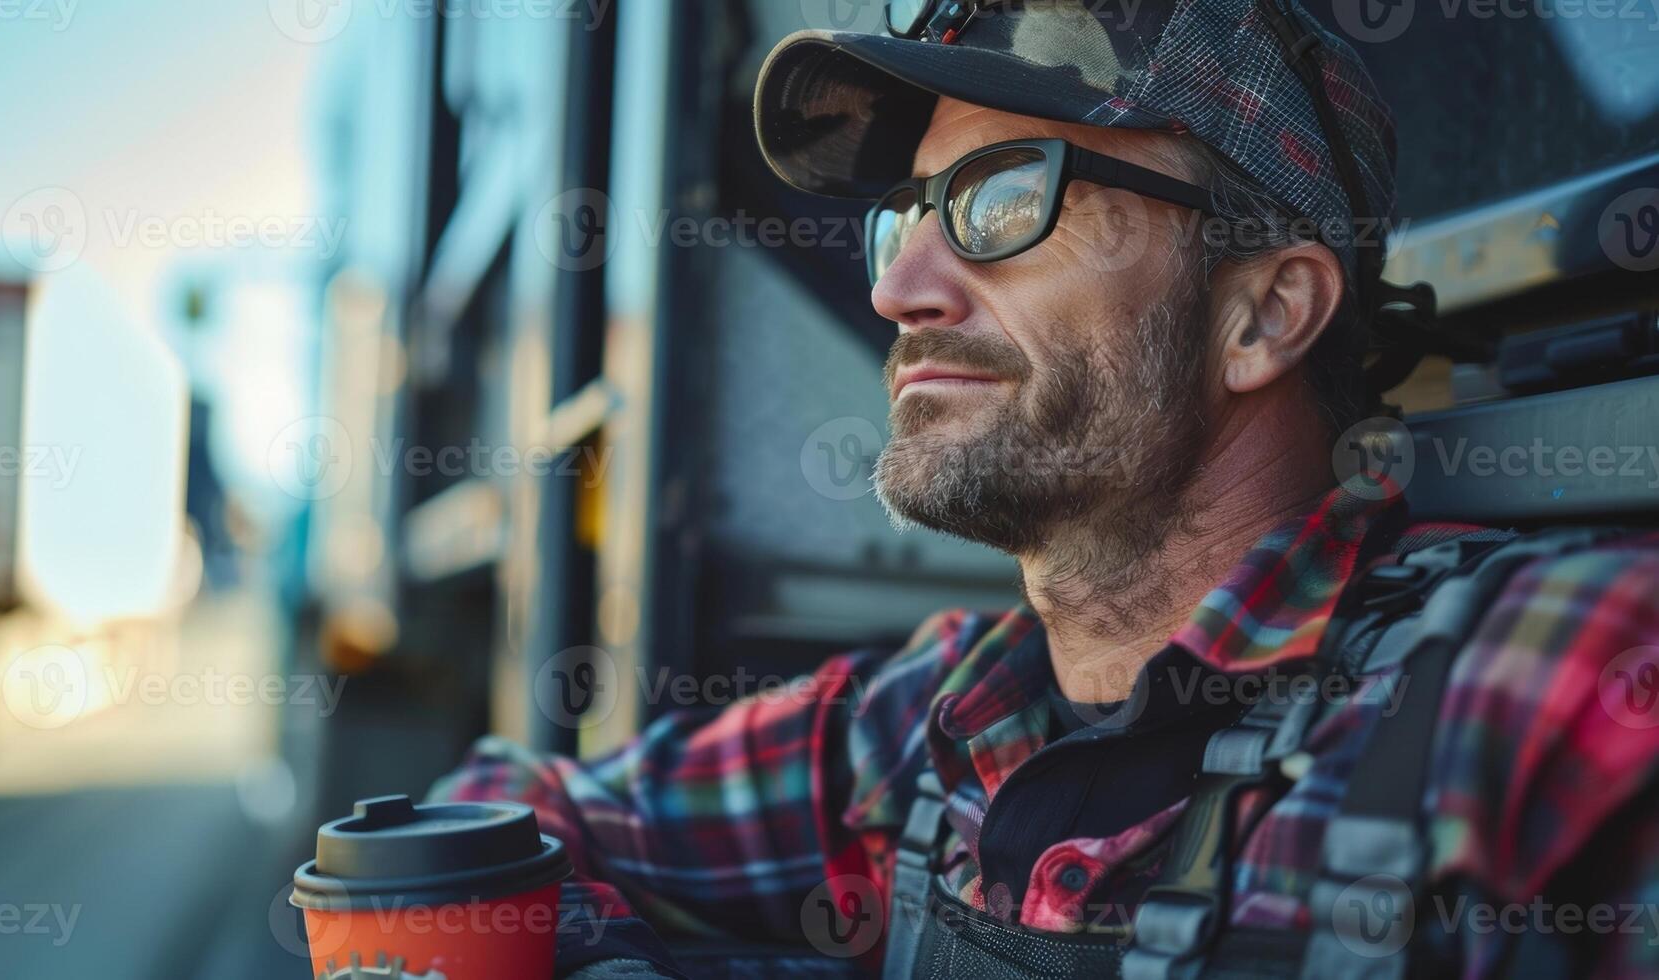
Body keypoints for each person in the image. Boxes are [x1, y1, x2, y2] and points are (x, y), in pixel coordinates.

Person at [433, 1, 1659, 976]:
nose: (900, 287)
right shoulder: (922, 725)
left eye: (1003, 198)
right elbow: (481, 822)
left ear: (1265, 313)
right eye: (904, 217)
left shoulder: (1541, 695)